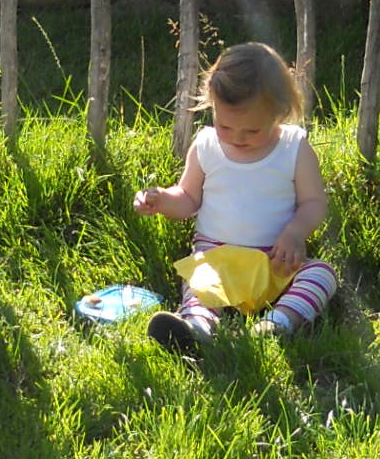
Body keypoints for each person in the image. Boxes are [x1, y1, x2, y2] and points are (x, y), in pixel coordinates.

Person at [133, 41, 338, 356]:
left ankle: (278, 323)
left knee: (321, 273)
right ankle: (197, 328)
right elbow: (187, 197)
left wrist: (295, 232)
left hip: (275, 262)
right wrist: (162, 200)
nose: (237, 138)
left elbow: (314, 203)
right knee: (198, 285)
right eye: (225, 126)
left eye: (252, 131)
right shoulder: (206, 147)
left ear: (280, 111)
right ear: (212, 105)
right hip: (217, 261)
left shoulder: (293, 149)